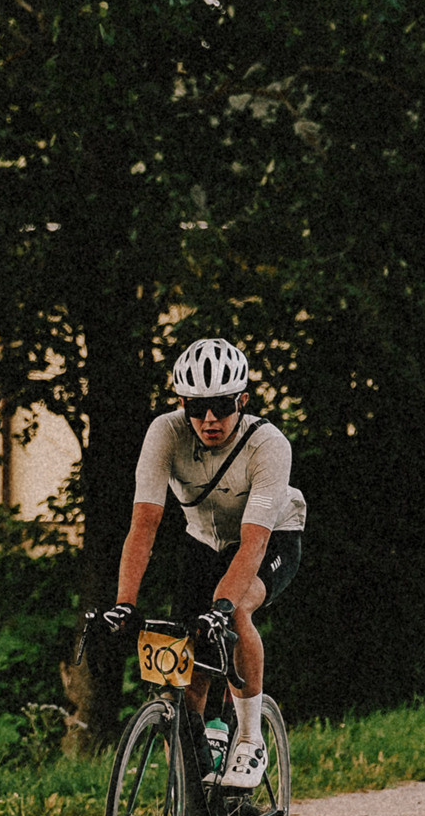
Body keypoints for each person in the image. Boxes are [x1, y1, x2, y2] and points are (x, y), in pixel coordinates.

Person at [89, 338, 306, 788]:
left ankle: (249, 739)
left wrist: (221, 606)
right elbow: (144, 524)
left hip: (270, 537)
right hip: (203, 539)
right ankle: (186, 815)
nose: (209, 419)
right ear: (182, 403)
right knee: (184, 671)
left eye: (222, 405)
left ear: (242, 400)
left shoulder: (268, 445)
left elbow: (252, 544)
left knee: (236, 609)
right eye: (197, 406)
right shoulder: (164, 433)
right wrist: (124, 603)